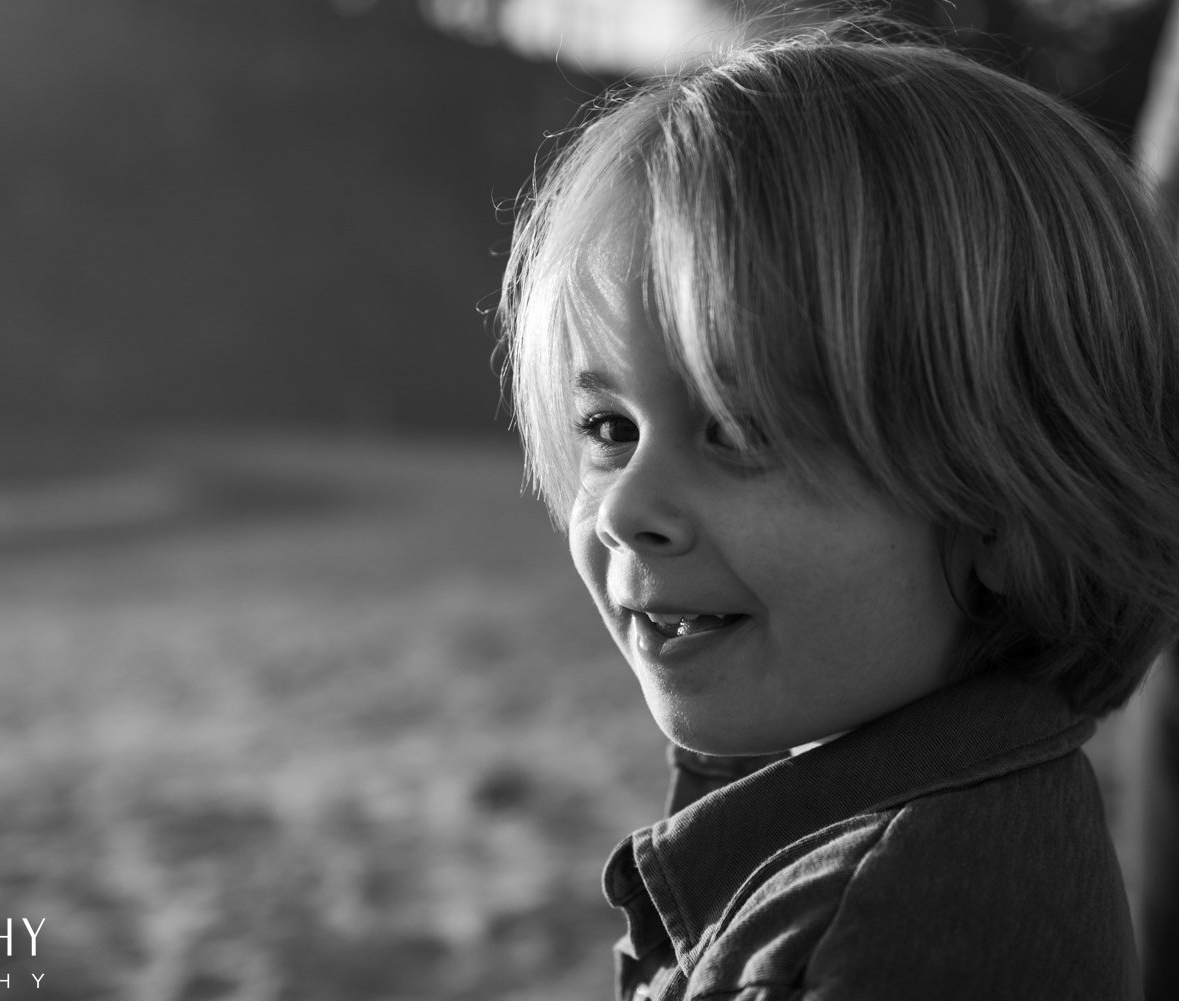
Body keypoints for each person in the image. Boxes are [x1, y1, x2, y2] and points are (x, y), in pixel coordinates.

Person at [498, 24, 1179, 1000]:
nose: (627, 508)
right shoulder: (882, 831)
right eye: (609, 425)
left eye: (734, 427)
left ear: (997, 499)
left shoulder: (907, 922)